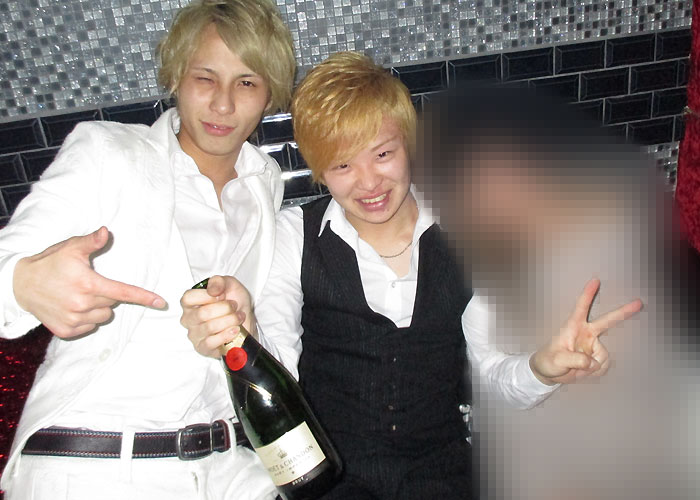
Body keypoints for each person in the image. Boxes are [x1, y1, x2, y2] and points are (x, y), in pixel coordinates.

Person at [180, 53, 641, 500]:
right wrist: (245, 332)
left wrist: (543, 368)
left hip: (442, 475)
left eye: (383, 154)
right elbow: (280, 367)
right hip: (331, 479)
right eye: (342, 165)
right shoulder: (293, 234)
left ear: (408, 145)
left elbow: (493, 374)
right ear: (320, 170)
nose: (368, 183)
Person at [0, 1, 295, 499]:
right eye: (205, 78)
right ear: (177, 77)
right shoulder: (109, 152)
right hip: (95, 464)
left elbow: (271, 355)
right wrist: (24, 283)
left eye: (246, 82)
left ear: (269, 95)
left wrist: (246, 330)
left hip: (228, 470)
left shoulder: (265, 185)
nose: (223, 104)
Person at [416, 84, 698, 500]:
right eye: (483, 189)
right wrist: (539, 369)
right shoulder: (483, 289)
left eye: (516, 174)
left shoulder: (616, 237)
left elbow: (676, 374)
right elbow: (496, 383)